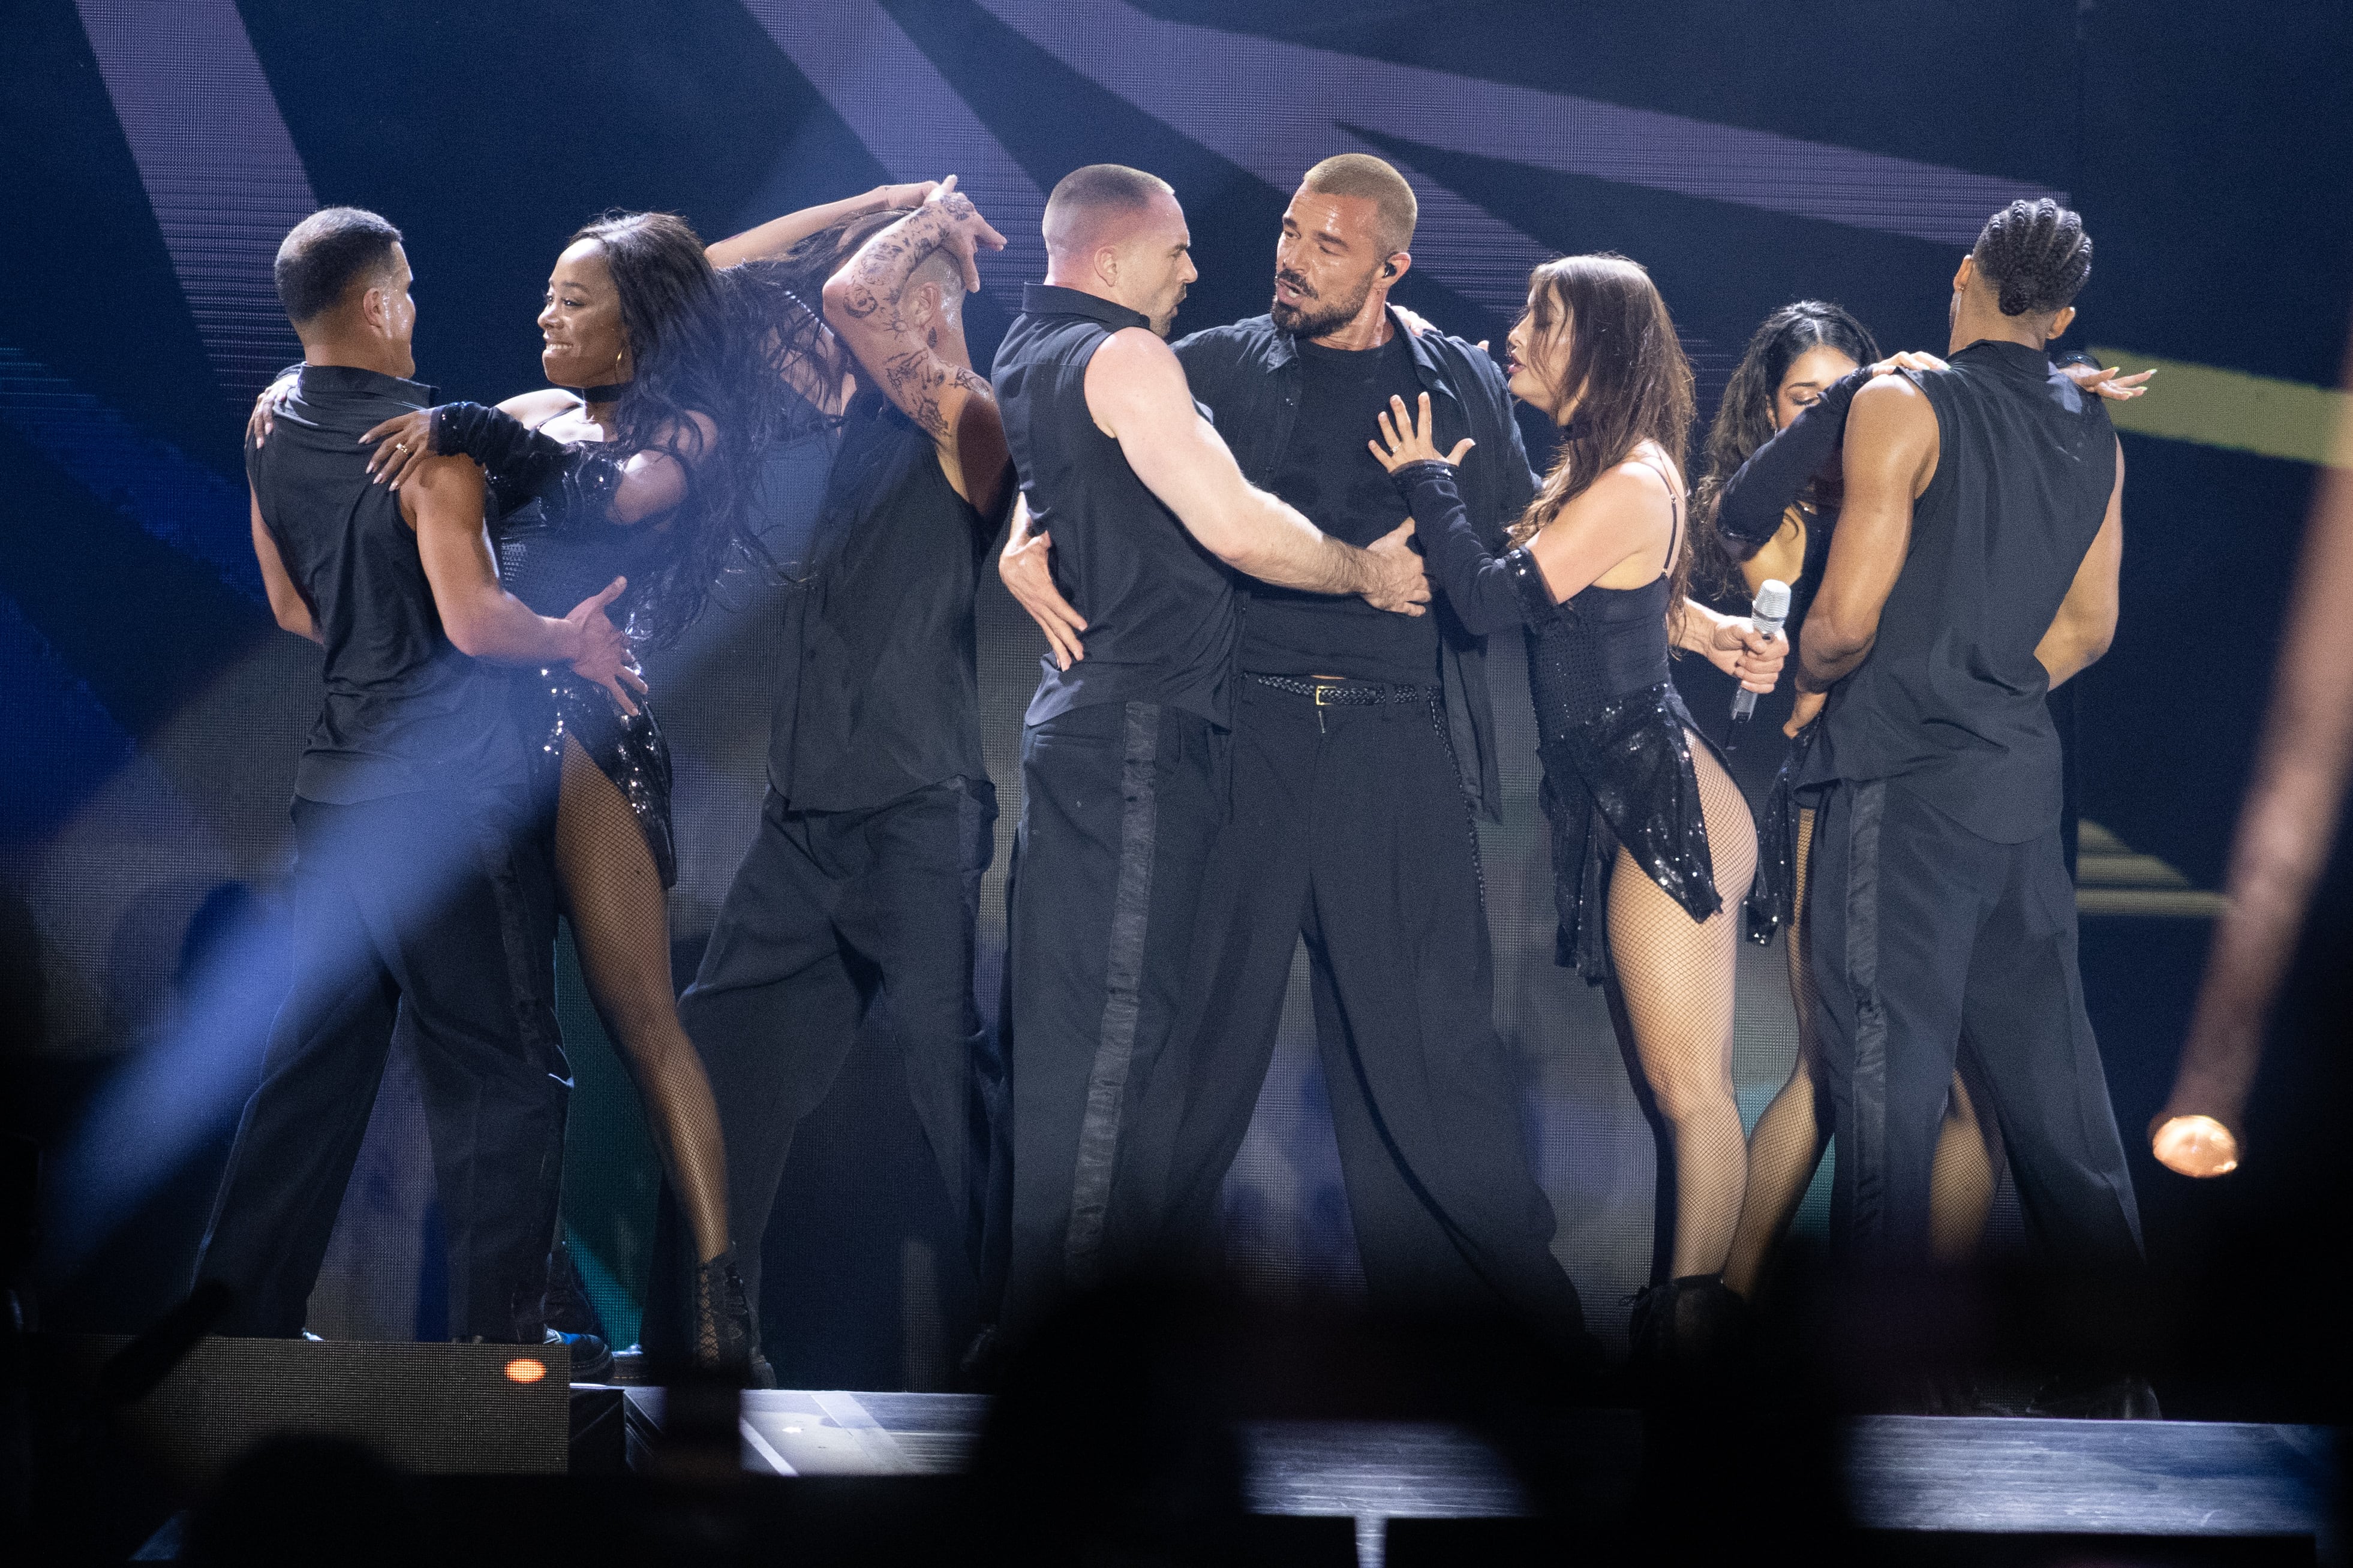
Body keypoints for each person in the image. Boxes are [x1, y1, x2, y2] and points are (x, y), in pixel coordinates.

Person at [988, 163, 1428, 1338]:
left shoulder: (1031, 349)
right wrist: (1365, 570)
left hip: (1092, 732)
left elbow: (1076, 477)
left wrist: (1022, 531)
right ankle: (1074, 1380)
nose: (1196, 269)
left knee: (1089, 1055)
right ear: (1117, 259)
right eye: (1177, 250)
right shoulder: (1129, 357)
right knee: (1111, 1068)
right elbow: (1233, 522)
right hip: (1137, 739)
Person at [196, 208, 633, 1352]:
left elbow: (294, 607)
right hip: (450, 802)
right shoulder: (425, 445)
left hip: (339, 799)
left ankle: (238, 1319)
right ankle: (506, 1346)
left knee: (313, 1070)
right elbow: (479, 622)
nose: (417, 310)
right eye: (410, 287)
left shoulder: (268, 422)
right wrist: (572, 642)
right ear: (382, 302)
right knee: (504, 1075)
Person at [1369, 252, 1771, 1369]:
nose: (1515, 335)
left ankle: (1690, 1341)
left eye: (1540, 320)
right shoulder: (1610, 478)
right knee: (1677, 1090)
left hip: (1661, 799)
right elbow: (1617, 598)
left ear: (1594, 346)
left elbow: (1498, 600)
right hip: (1632, 788)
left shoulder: (1635, 481)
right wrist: (1701, 629)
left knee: (1692, 1093)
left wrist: (1424, 480)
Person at [1702, 305, 2151, 1299]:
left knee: (1950, 1089)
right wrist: (1854, 408)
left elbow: (2025, 600)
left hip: (1915, 786)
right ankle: (1733, 1302)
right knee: (1847, 1072)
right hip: (1818, 790)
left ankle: (1912, 1333)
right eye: (1805, 400)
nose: (1832, 413)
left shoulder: (1907, 482)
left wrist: (2051, 387)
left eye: (1845, 388)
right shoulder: (1776, 513)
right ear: (1773, 411)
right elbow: (1797, 612)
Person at [645, 179, 1017, 1374]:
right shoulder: (838, 419)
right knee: (720, 1076)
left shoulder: (974, 425)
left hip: (916, 817)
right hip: (803, 823)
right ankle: (707, 1337)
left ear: (940, 305)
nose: (859, 312)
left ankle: (1030, 1350)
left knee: (950, 1087)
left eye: (912, 290)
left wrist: (930, 227)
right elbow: (685, 281)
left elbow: (854, 295)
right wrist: (873, 199)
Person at [1790, 202, 2144, 1379]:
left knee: (1886, 1095)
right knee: (2061, 1109)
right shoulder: (2096, 428)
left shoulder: (1904, 403)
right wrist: (1984, 677)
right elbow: (2089, 630)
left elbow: (1840, 621)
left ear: (1964, 274)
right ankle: (2123, 1375)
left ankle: (1879, 1392)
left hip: (1903, 790)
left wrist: (1814, 677)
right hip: (2019, 796)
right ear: (2065, 315)